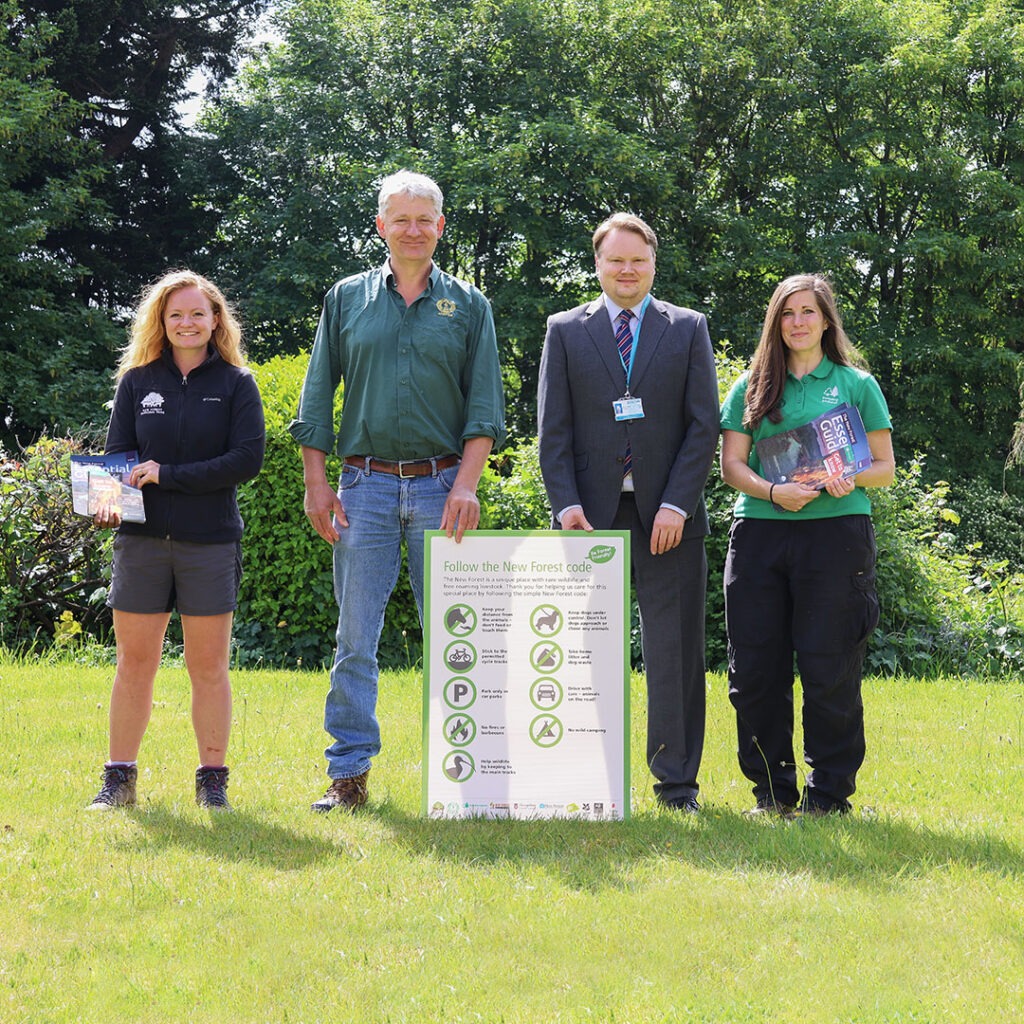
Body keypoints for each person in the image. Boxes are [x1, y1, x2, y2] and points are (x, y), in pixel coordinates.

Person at [290, 170, 505, 813]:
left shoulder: (469, 306)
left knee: (457, 635)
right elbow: (316, 396)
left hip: (444, 489)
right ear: (381, 226)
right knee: (355, 637)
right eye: (400, 219)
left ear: (441, 227)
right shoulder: (346, 299)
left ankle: (471, 776)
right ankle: (349, 775)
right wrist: (316, 482)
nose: (413, 230)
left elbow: (485, 405)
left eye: (425, 219)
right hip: (364, 489)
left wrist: (467, 484)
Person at [537, 213, 720, 811]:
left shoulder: (688, 328)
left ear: (653, 265)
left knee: (674, 652)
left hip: (668, 520)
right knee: (586, 651)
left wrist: (676, 503)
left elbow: (702, 428)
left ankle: (676, 785)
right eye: (615, 260)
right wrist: (563, 506)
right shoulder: (564, 330)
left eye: (637, 261)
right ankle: (592, 776)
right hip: (589, 518)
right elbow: (553, 431)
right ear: (597, 264)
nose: (626, 270)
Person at [87, 270, 266, 811]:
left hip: (209, 543)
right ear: (161, 324)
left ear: (216, 321)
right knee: (133, 664)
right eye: (176, 315)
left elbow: (246, 461)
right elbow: (118, 456)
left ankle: (213, 781)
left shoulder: (237, 384)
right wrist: (105, 500)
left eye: (197, 314)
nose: (187, 323)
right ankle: (118, 780)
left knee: (207, 667)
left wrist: (169, 474)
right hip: (141, 544)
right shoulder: (137, 382)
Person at [720, 273, 894, 817]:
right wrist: (775, 490)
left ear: (826, 320)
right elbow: (730, 465)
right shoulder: (749, 386)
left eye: (808, 312)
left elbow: (884, 469)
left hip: (835, 536)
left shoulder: (856, 384)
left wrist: (849, 476)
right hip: (759, 535)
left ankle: (829, 798)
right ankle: (772, 795)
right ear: (776, 322)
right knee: (755, 671)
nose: (798, 322)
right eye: (788, 313)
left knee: (830, 666)